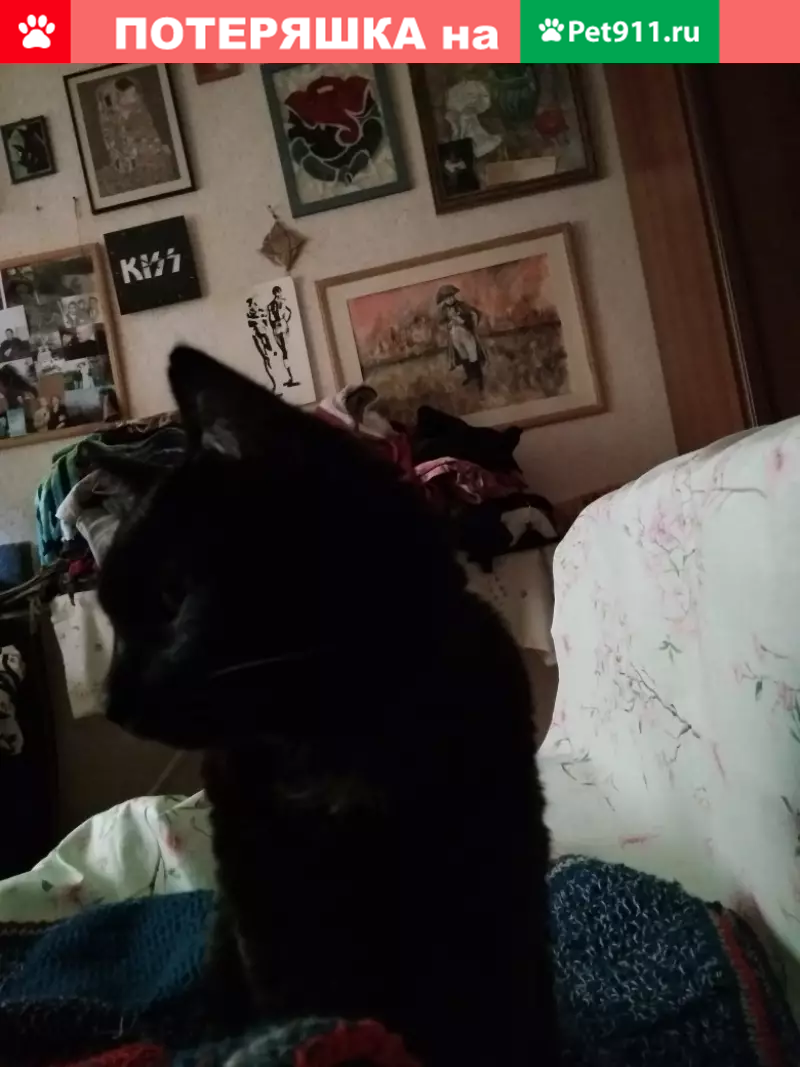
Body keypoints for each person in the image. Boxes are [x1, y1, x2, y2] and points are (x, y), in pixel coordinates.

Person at [436, 284, 488, 391]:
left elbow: (474, 315)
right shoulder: (444, 310)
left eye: (451, 296)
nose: (450, 300)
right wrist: (448, 325)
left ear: (454, 296)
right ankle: (470, 376)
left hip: (466, 334)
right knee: (463, 355)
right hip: (455, 336)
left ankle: (479, 379)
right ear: (443, 300)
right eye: (447, 298)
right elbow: (441, 324)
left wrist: (462, 320)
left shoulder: (462, 306)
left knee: (473, 355)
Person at [266, 285, 298, 388]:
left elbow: (288, 312)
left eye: (280, 292)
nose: (280, 293)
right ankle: (291, 377)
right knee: (285, 351)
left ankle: (291, 377)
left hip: (280, 327)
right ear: (276, 293)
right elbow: (273, 317)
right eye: (279, 292)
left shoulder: (275, 304)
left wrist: (282, 322)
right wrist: (284, 322)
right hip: (281, 327)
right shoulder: (275, 304)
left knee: (285, 351)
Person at [246, 297, 275, 390]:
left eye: (254, 304)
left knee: (270, 354)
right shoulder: (250, 315)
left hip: (264, 335)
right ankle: (274, 384)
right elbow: (250, 324)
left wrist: (261, 317)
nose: (252, 306)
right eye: (251, 305)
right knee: (265, 358)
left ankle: (274, 383)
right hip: (257, 336)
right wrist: (257, 318)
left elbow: (266, 324)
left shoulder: (261, 312)